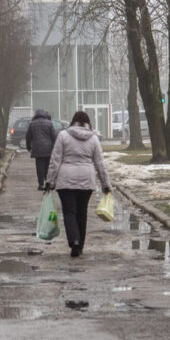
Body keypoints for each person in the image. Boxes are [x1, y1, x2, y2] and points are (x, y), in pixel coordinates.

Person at [44, 110, 112, 258]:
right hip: (86, 180)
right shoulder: (93, 139)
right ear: (88, 123)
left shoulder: (63, 136)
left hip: (66, 180)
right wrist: (106, 184)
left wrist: (49, 181)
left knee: (69, 212)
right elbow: (100, 163)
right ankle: (80, 246)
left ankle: (73, 240)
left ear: (72, 121)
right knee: (82, 213)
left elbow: (55, 161)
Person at [25, 108, 57, 189]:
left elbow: (28, 137)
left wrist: (29, 147)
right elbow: (54, 136)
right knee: (48, 166)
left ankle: (41, 184)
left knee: (39, 167)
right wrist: (55, 148)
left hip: (37, 148)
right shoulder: (49, 123)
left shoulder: (32, 124)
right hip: (48, 148)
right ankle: (48, 182)